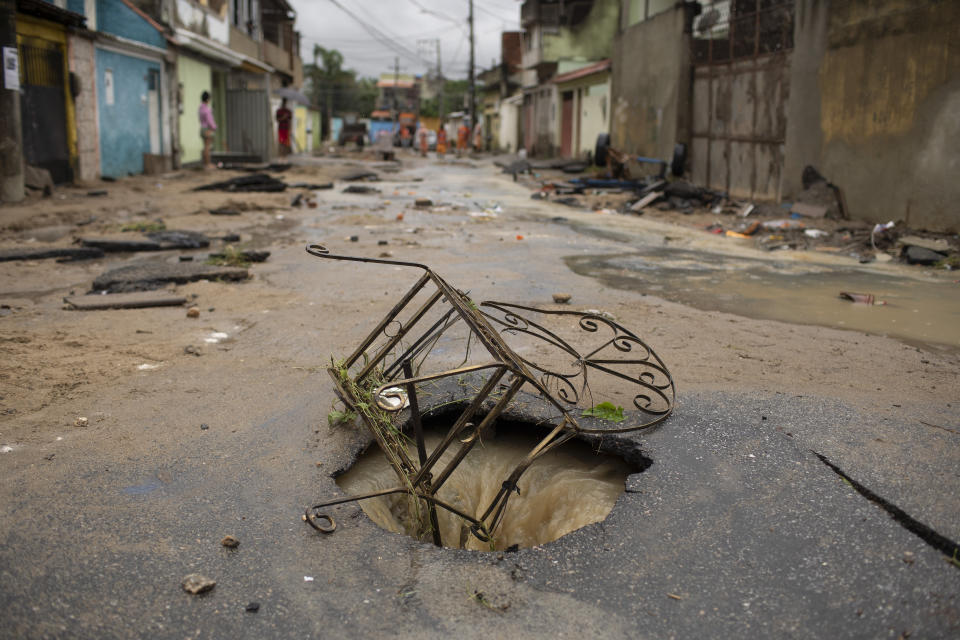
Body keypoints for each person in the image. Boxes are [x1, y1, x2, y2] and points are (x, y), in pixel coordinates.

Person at [198, 91, 216, 170]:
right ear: (208, 99)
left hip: (202, 128)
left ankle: (204, 164)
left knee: (205, 146)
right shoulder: (207, 109)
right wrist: (214, 127)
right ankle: (208, 164)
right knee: (207, 147)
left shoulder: (200, 108)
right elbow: (210, 120)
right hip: (207, 129)